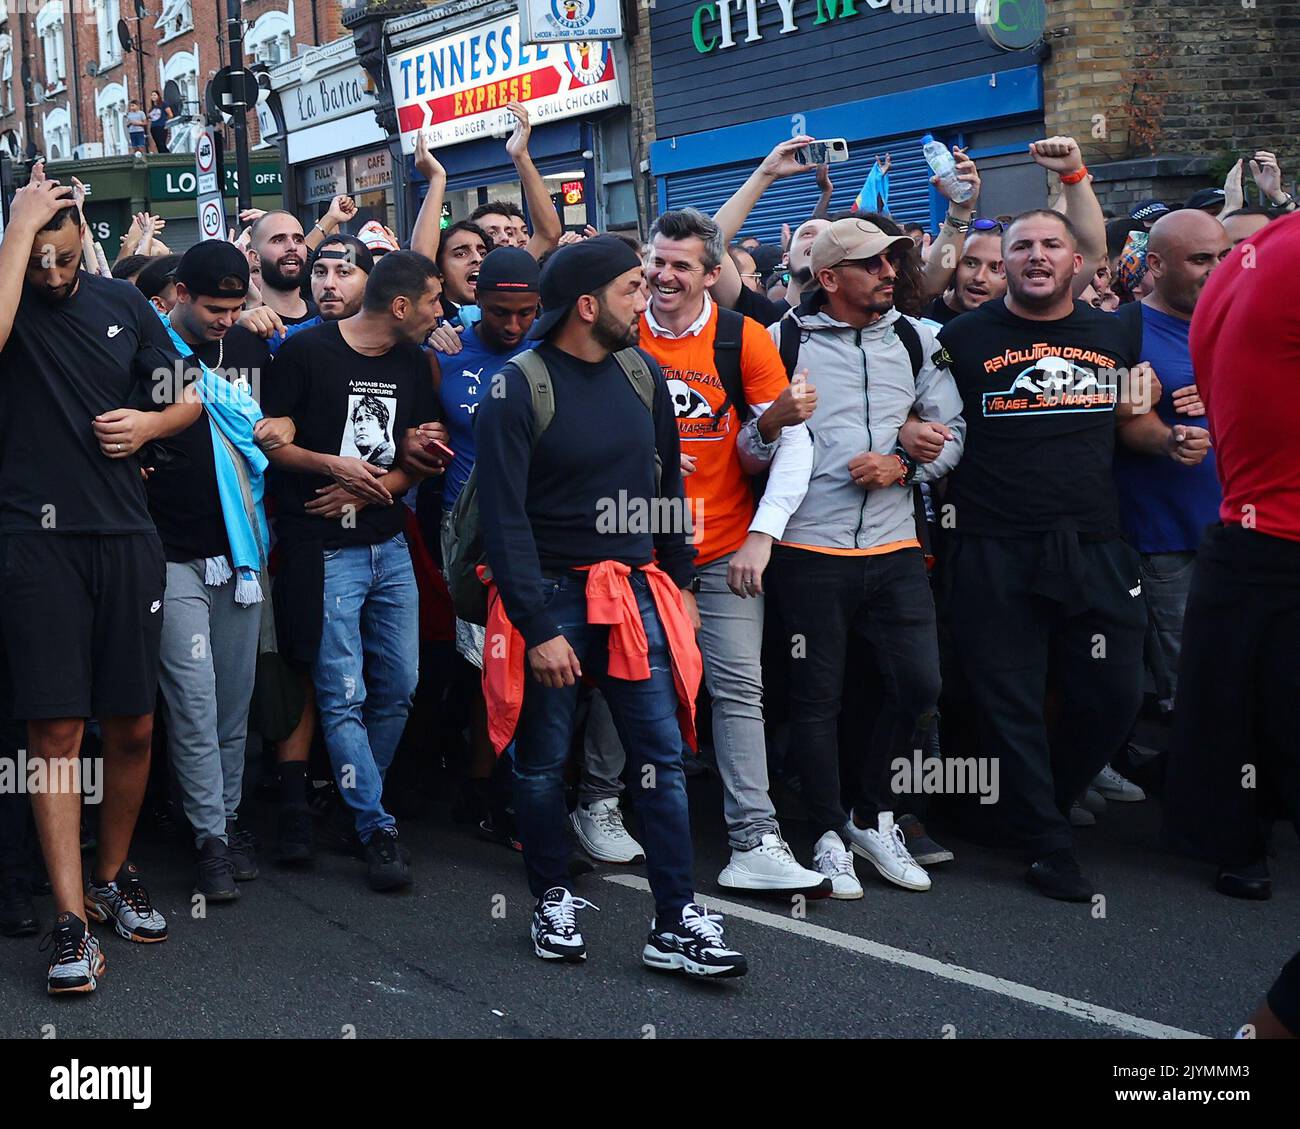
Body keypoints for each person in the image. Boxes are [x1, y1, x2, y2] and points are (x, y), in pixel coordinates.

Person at [475, 236, 747, 976]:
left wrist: (683, 582)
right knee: (541, 763)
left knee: (661, 756)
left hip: (635, 593)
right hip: (551, 599)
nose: (648, 295)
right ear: (588, 305)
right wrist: (535, 627)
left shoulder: (642, 373)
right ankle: (552, 896)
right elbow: (503, 523)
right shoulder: (516, 387)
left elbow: (665, 493)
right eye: (633, 286)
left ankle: (675, 918)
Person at [937, 207, 1210, 902]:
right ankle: (1047, 843)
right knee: (1011, 699)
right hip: (992, 543)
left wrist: (1165, 442)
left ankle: (1038, 802)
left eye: (1050, 245)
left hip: (1093, 542)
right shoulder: (962, 339)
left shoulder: (1113, 330)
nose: (1035, 256)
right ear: (1003, 264)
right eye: (1020, 246)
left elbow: (1132, 418)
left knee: (1113, 692)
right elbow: (928, 414)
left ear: (1076, 262)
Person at [0, 169, 203, 993]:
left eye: (61, 254)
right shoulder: (10, 290)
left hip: (127, 537)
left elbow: (188, 394)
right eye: (36, 258)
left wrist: (151, 421)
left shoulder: (122, 305)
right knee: (52, 733)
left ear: (85, 233)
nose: (51, 273)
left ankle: (111, 875)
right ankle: (68, 921)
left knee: (132, 726)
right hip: (32, 540)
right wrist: (18, 230)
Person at [611, 207, 828, 896]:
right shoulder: (617, 331)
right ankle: (596, 802)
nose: (662, 274)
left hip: (725, 544)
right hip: (634, 544)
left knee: (738, 687)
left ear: (713, 274)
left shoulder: (744, 340)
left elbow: (788, 439)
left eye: (680, 264)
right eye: (656, 260)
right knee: (630, 680)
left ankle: (754, 838)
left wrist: (763, 537)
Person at [763, 217, 965, 895]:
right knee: (815, 698)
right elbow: (744, 451)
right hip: (807, 549)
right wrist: (769, 424)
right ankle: (823, 830)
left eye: (892, 261)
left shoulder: (919, 337)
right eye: (872, 263)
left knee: (918, 687)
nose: (888, 272)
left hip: (897, 546)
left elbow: (954, 434)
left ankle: (872, 816)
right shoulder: (780, 339)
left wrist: (904, 464)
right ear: (828, 278)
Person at [262, 252, 444, 892]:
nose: (441, 311)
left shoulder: (413, 362)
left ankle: (355, 798)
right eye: (432, 300)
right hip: (323, 549)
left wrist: (375, 488)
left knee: (399, 685)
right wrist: (330, 468)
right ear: (400, 306)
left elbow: (424, 456)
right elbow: (271, 448)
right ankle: (375, 826)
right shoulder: (305, 354)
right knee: (342, 695)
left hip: (389, 543)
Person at [1166, 213, 1300, 901]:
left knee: (1237, 708)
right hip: (1277, 530)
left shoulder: (1253, 254)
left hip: (1248, 529)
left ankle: (1240, 838)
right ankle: (1240, 838)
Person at [145, 241, 284, 902]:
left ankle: (225, 821)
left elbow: (282, 422)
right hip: (170, 554)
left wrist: (279, 425)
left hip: (243, 555)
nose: (227, 318)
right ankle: (208, 837)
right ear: (179, 293)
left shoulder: (257, 347)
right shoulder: (147, 351)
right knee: (194, 699)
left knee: (234, 702)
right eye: (213, 307)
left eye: (235, 306)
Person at [1112, 210, 1230, 715]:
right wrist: (1168, 439)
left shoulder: (1244, 320)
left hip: (1250, 535)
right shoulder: (1122, 332)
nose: (1217, 269)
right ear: (1155, 265)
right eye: (1201, 259)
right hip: (1168, 541)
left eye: (1224, 257)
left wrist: (1221, 395)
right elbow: (1121, 423)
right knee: (1193, 691)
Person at [464, 102, 560, 260]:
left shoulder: (519, 268)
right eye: (492, 232)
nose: (505, 238)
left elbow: (549, 233)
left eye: (509, 232)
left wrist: (520, 156)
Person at [247, 211, 317, 326]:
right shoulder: (238, 322)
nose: (292, 247)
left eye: (298, 240)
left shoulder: (325, 318)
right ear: (255, 258)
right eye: (278, 240)